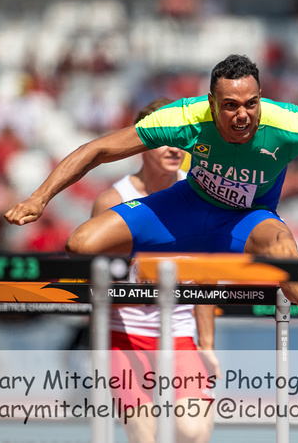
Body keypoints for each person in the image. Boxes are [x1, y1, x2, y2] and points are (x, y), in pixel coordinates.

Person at [4, 54, 298, 341]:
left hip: (247, 218)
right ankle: (125, 282)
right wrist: (39, 198)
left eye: (251, 104)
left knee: (281, 244)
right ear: (211, 104)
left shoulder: (291, 125)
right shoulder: (185, 117)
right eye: (230, 106)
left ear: (261, 99)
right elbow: (98, 149)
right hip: (186, 207)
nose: (242, 116)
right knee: (80, 244)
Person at [92, 97, 218, 443]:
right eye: (163, 138)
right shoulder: (112, 201)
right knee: (145, 438)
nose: (174, 148)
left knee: (193, 433)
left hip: (179, 336)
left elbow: (206, 274)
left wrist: (206, 343)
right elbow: (96, 283)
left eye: (181, 140)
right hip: (124, 337)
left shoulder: (201, 194)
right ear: (142, 141)